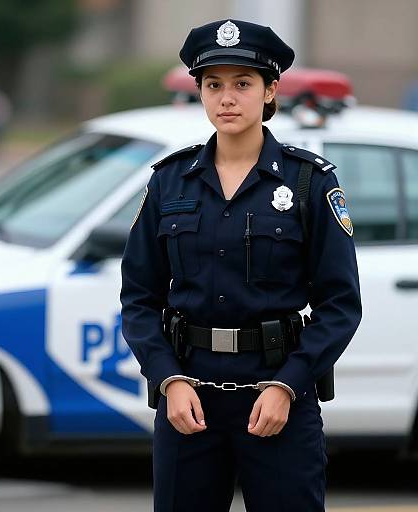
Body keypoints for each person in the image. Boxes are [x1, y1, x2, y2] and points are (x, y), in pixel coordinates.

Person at [120, 19, 362, 512]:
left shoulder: (309, 183)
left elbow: (340, 305)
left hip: (277, 395)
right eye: (213, 85)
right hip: (188, 398)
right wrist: (169, 379)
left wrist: (288, 386)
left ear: (271, 91)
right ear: (201, 94)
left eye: (242, 84)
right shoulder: (170, 183)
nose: (226, 98)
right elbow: (139, 298)